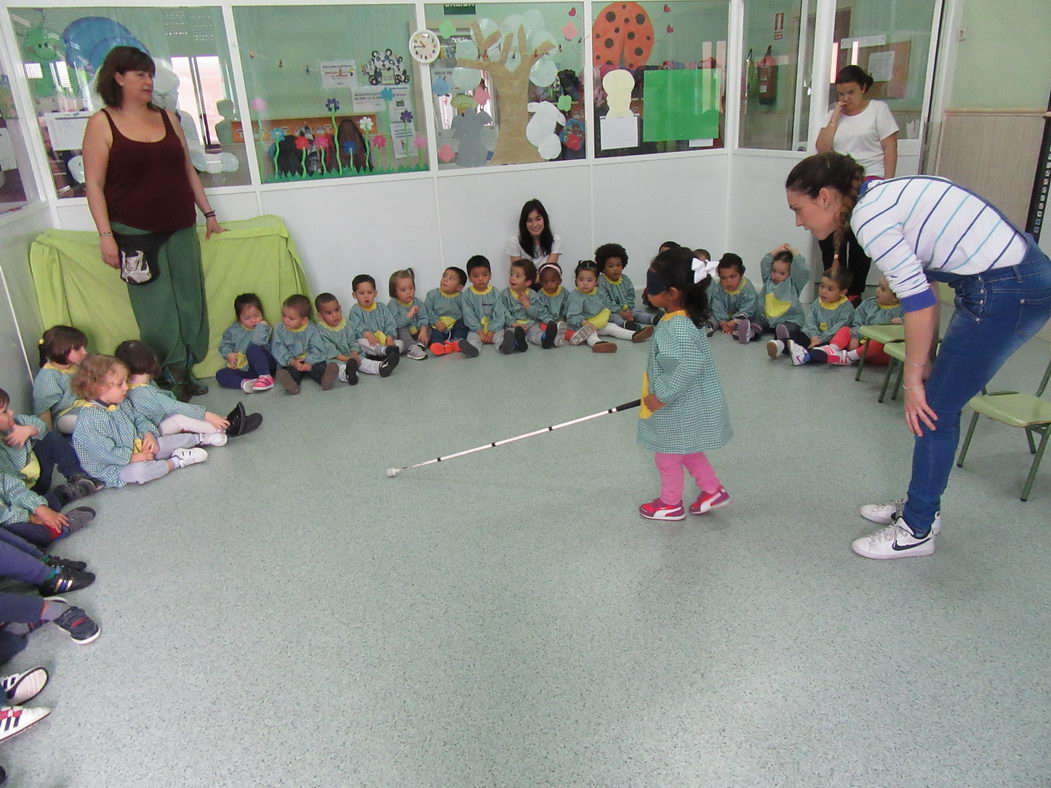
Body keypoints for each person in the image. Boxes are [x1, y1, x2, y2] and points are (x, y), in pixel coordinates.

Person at [786, 151, 1051, 559]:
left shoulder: (870, 219)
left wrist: (911, 379)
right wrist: (922, 359)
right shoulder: (877, 196)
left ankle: (917, 530)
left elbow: (919, 301)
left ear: (824, 197)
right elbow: (926, 276)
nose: (798, 222)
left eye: (798, 210)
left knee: (933, 411)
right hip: (1002, 281)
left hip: (1008, 289)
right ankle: (921, 505)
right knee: (935, 403)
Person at [81, 46, 227, 403]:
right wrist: (105, 236)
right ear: (118, 77)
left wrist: (208, 214)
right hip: (133, 232)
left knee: (190, 300)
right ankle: (169, 371)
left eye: (149, 74)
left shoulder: (166, 117)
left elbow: (186, 170)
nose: (148, 81)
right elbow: (94, 185)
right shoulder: (102, 122)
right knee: (156, 308)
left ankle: (187, 366)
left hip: (179, 224)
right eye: (139, 75)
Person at [637, 248, 732, 521]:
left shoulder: (675, 327)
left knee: (666, 457)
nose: (646, 290)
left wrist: (661, 396)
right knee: (688, 450)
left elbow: (690, 365)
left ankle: (670, 504)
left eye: (653, 286)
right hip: (689, 404)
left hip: (677, 406)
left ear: (673, 293)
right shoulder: (682, 318)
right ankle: (712, 490)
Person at [814, 65, 899, 300]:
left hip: (869, 180)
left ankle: (854, 291)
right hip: (838, 181)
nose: (845, 98)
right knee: (830, 237)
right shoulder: (835, 114)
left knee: (859, 238)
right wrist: (834, 119)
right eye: (841, 94)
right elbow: (822, 148)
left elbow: (890, 147)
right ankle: (831, 287)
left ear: (863, 88)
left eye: (851, 92)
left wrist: (887, 184)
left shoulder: (878, 110)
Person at [71, 355, 210, 487]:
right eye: (120, 384)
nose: (126, 387)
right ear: (98, 388)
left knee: (161, 443)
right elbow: (104, 453)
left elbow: (138, 418)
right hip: (114, 466)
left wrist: (148, 434)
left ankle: (200, 438)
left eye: (126, 381)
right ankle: (176, 461)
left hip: (135, 446)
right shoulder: (91, 419)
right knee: (140, 472)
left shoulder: (120, 402)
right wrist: (133, 458)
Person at [0, 387, 99, 513]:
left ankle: (79, 475)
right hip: (20, 494)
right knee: (35, 508)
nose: (11, 412)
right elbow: (8, 487)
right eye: (4, 412)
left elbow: (42, 425)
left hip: (39, 477)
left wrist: (30, 429)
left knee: (50, 439)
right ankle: (59, 497)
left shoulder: (17, 422)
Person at [115, 341, 231, 439]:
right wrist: (208, 416)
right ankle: (219, 429)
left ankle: (215, 425)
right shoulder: (146, 390)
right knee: (180, 419)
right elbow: (175, 406)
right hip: (153, 431)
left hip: (147, 427)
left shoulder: (126, 387)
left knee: (183, 414)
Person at [566, 260, 653, 352]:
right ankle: (597, 344)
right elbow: (571, 316)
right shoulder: (576, 296)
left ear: (596, 281)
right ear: (576, 280)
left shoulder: (599, 292)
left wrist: (619, 312)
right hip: (582, 325)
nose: (585, 283)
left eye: (589, 280)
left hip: (599, 322)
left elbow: (607, 304)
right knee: (590, 334)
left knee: (613, 328)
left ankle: (633, 335)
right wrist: (585, 323)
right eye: (581, 279)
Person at [783, 267, 855, 365]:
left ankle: (804, 356)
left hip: (829, 340)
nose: (823, 291)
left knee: (821, 350)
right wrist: (813, 336)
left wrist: (819, 339)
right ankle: (781, 344)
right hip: (814, 336)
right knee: (799, 336)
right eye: (822, 286)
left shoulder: (847, 308)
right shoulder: (818, 301)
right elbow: (811, 319)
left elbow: (838, 328)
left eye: (830, 289)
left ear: (842, 292)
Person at [271, 295, 339, 394]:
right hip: (292, 361)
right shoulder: (280, 329)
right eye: (284, 315)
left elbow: (317, 347)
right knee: (291, 372)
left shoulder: (311, 328)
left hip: (311, 360)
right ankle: (292, 386)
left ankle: (325, 380)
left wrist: (309, 362)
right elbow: (277, 347)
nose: (285, 320)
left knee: (319, 368)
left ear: (304, 320)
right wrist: (291, 361)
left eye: (291, 318)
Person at [315, 292, 392, 380]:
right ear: (320, 316)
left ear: (340, 308)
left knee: (364, 362)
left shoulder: (346, 324)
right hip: (336, 358)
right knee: (338, 368)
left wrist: (354, 353)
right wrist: (348, 359)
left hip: (352, 355)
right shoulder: (320, 331)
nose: (335, 315)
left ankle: (380, 367)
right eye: (329, 313)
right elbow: (330, 351)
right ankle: (349, 375)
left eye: (337, 310)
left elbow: (353, 340)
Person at [216, 293, 277, 393]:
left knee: (252, 349)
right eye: (247, 318)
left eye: (257, 315)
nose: (253, 320)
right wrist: (228, 355)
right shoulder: (233, 330)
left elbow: (258, 342)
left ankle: (266, 378)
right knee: (220, 374)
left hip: (265, 366)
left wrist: (261, 326)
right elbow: (224, 346)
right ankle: (245, 383)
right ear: (239, 318)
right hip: (245, 369)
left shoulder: (264, 327)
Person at [33, 325, 88, 434]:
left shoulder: (75, 366)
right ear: (61, 349)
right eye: (78, 349)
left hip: (85, 407)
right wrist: (51, 438)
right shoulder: (48, 376)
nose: (84, 352)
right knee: (88, 422)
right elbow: (43, 410)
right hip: (65, 416)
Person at [757, 244, 810, 356]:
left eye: (782, 273)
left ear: (790, 273)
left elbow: (803, 271)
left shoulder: (794, 283)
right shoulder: (768, 279)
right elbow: (764, 263)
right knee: (756, 320)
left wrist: (795, 253)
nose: (776, 276)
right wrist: (776, 251)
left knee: (789, 328)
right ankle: (751, 331)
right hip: (767, 317)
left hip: (788, 318)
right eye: (774, 271)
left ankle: (782, 339)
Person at [840, 276, 904, 365]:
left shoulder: (903, 310)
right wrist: (855, 337)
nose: (877, 290)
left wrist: (902, 322)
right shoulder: (869, 304)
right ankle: (833, 348)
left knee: (881, 339)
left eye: (883, 289)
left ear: (895, 297)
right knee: (845, 330)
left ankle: (851, 356)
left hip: (880, 351)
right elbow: (857, 321)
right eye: (878, 286)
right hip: (860, 342)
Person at [596, 242, 656, 329]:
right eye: (610, 266)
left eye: (618, 265)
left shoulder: (625, 279)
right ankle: (626, 324)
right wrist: (620, 312)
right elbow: (605, 301)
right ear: (603, 267)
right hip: (610, 310)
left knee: (637, 312)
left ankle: (653, 319)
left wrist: (628, 307)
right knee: (613, 318)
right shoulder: (601, 282)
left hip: (627, 308)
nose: (615, 269)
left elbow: (631, 294)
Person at [347, 277, 402, 372]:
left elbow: (390, 323)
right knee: (361, 342)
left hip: (383, 341)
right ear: (354, 295)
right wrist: (367, 334)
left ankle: (384, 353)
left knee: (400, 344)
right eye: (361, 293)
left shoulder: (382, 307)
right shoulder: (355, 310)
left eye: (369, 292)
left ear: (375, 293)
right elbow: (355, 327)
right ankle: (384, 352)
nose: (366, 296)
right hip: (369, 342)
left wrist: (389, 337)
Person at [708, 253, 760, 343]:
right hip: (724, 316)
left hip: (742, 316)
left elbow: (748, 307)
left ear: (741, 274)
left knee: (751, 320)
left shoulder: (746, 287)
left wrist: (735, 321)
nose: (728, 281)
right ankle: (710, 326)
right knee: (712, 315)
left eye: (733, 277)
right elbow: (717, 305)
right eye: (723, 278)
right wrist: (723, 322)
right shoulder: (718, 287)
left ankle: (740, 330)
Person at [461, 256, 506, 358]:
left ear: (490, 275)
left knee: (501, 336)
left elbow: (499, 314)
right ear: (469, 278)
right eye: (476, 276)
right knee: (472, 338)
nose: (481, 279)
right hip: (476, 330)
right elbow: (468, 315)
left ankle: (504, 346)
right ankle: (473, 350)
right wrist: (479, 332)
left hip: (495, 329)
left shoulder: (495, 292)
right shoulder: (467, 295)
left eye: (484, 275)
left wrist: (491, 331)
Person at [497, 260, 542, 353]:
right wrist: (513, 323)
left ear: (528, 282)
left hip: (529, 324)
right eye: (511, 274)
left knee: (536, 332)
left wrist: (527, 304)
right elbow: (503, 311)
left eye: (517, 276)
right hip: (513, 325)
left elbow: (536, 314)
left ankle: (545, 339)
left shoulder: (533, 295)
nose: (512, 278)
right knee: (507, 334)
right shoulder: (505, 294)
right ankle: (514, 344)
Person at [506, 199, 562, 271]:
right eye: (529, 221)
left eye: (538, 219)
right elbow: (518, 274)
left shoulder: (556, 240)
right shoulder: (515, 242)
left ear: (544, 219)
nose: (534, 225)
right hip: (523, 282)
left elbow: (548, 273)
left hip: (547, 282)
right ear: (524, 223)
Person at [425, 267, 470, 356]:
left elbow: (466, 311)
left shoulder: (462, 297)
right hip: (438, 324)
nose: (445, 280)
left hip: (455, 323)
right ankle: (438, 345)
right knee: (434, 332)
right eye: (444, 276)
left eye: (450, 278)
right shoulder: (433, 294)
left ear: (459, 287)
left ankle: (456, 342)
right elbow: (427, 310)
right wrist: (436, 322)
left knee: (463, 324)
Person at [387, 270, 430, 361]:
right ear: (395, 292)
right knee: (402, 330)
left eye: (411, 288)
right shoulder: (393, 304)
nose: (409, 292)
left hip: (416, 331)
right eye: (403, 290)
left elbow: (424, 317)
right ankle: (411, 348)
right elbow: (396, 323)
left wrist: (423, 329)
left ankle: (420, 345)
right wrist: (410, 314)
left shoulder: (417, 302)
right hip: (403, 333)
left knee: (428, 328)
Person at [532, 262, 569, 348]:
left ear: (559, 281)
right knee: (541, 327)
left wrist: (563, 320)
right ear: (541, 282)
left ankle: (571, 336)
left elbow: (567, 307)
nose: (549, 284)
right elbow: (541, 312)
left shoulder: (564, 292)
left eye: (553, 281)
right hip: (547, 322)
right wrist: (551, 322)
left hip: (561, 321)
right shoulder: (539, 295)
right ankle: (552, 337)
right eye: (545, 282)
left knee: (568, 328)